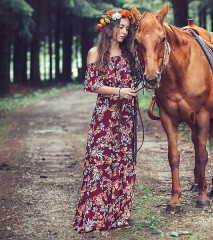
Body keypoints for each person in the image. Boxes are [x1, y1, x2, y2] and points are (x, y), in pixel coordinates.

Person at [72, 8, 138, 233]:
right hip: (105, 117)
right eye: (121, 27)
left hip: (126, 117)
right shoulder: (94, 53)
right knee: (101, 163)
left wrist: (133, 90)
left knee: (122, 163)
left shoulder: (129, 54)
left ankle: (118, 215)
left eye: (127, 29)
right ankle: (95, 216)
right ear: (109, 27)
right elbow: (91, 85)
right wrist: (119, 91)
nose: (124, 32)